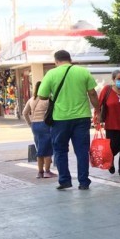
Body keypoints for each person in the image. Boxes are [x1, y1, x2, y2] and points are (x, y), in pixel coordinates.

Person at [36, 50, 100, 190]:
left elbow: (42, 96)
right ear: (69, 59)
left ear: (56, 61)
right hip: (82, 118)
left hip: (60, 119)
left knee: (60, 150)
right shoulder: (83, 72)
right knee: (82, 150)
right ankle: (83, 182)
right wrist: (98, 110)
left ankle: (64, 180)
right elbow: (92, 94)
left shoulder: (51, 74)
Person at [22, 81, 55, 179]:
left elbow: (25, 113)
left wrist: (30, 123)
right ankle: (47, 172)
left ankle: (40, 172)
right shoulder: (48, 100)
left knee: (40, 148)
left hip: (35, 125)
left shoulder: (31, 99)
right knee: (48, 150)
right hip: (45, 124)